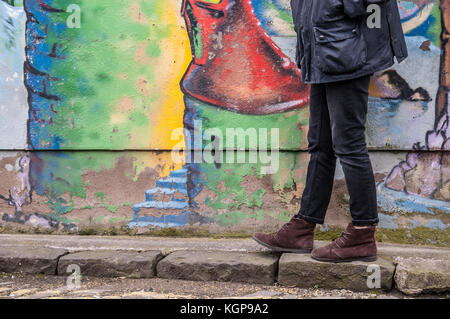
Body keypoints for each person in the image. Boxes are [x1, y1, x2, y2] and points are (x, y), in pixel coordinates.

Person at [253, 0, 408, 262]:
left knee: (349, 144)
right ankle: (303, 227)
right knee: (321, 144)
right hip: (323, 50)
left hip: (344, 51)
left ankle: (362, 233)